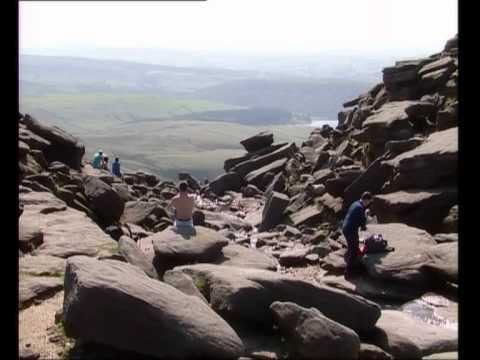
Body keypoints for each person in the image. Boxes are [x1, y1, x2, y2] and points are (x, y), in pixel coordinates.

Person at [342, 191, 373, 279]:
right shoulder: (360, 208)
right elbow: (363, 224)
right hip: (350, 230)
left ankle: (352, 266)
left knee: (353, 246)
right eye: (369, 202)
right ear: (366, 200)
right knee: (354, 250)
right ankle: (348, 273)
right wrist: (366, 217)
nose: (369, 204)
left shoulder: (355, 203)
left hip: (346, 227)